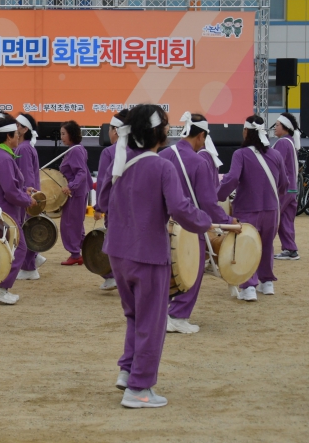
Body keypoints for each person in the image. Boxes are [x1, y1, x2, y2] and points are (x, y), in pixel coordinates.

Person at [103, 104, 211, 408]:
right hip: (148, 253)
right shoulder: (162, 165)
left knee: (134, 316)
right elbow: (180, 209)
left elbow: (104, 202)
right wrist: (207, 223)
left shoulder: (120, 161)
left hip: (118, 252)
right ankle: (139, 388)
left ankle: (128, 370)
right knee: (151, 321)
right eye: (166, 125)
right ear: (158, 132)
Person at [160, 112, 232, 334]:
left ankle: (162, 313)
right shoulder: (199, 162)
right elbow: (209, 203)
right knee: (192, 270)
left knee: (166, 271)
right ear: (201, 135)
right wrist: (227, 221)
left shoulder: (163, 155)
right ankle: (178, 315)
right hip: (189, 226)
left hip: (162, 225)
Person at [217, 115, 288, 302]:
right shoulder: (276, 154)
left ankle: (249, 286)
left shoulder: (240, 154)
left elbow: (231, 179)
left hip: (247, 209)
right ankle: (267, 283)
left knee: (246, 247)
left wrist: (218, 195)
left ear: (246, 131)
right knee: (266, 246)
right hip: (271, 209)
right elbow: (284, 183)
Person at [0, 114, 40, 304]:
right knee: (18, 249)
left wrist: (25, 190)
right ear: (8, 137)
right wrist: (27, 200)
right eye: (16, 134)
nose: (18, 137)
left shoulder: (2, 155)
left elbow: (10, 186)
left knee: (7, 251)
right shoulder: (4, 158)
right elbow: (10, 193)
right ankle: (0, 288)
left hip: (2, 212)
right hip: (3, 213)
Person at [93, 109, 132, 290]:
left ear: (116, 131)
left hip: (116, 207)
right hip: (137, 207)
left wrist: (100, 206)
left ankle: (113, 277)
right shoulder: (140, 150)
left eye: (109, 129)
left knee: (115, 243)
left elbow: (103, 182)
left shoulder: (109, 152)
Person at [13, 112, 46, 280]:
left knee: (26, 231)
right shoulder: (24, 147)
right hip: (28, 196)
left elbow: (26, 177)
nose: (14, 128)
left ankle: (29, 268)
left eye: (17, 125)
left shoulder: (24, 148)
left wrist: (28, 196)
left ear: (24, 129)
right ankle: (32, 261)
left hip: (28, 198)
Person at [58, 120, 89, 266]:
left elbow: (81, 172)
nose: (62, 137)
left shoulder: (75, 150)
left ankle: (76, 254)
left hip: (74, 193)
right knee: (76, 223)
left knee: (70, 224)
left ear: (71, 134)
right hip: (77, 192)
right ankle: (86, 251)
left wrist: (71, 186)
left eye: (64, 134)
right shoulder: (77, 148)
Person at [272, 113, 302, 261]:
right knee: (285, 219)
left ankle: (262, 248)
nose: (275, 127)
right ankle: (290, 249)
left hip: (284, 187)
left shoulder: (283, 142)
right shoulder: (290, 141)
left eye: (277, 125)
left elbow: (277, 164)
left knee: (273, 216)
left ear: (285, 127)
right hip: (292, 188)